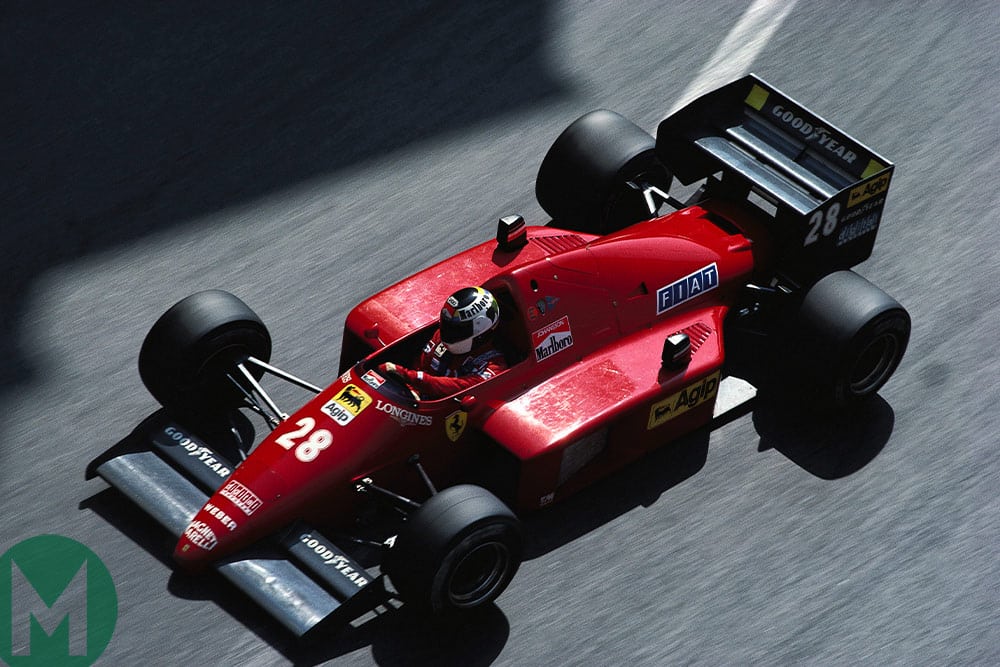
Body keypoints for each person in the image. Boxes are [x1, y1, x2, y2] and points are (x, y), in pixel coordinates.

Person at [378, 286, 508, 399]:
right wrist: (412, 388)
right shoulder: (441, 334)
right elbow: (421, 365)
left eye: (457, 329)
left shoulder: (494, 367)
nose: (448, 332)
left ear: (481, 329)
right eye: (448, 325)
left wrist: (408, 376)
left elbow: (455, 388)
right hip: (413, 396)